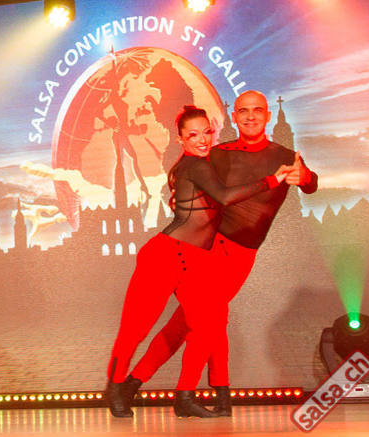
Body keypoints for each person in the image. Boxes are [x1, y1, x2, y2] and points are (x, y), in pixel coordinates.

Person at [122, 91, 318, 416]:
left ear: (268, 116)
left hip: (242, 255)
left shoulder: (285, 157)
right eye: (244, 111)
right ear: (235, 117)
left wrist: (306, 177)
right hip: (209, 247)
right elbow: (186, 175)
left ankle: (147, 386)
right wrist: (177, 196)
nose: (251, 116)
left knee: (202, 321)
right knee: (199, 321)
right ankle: (186, 392)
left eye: (257, 110)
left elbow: (311, 184)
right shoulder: (218, 153)